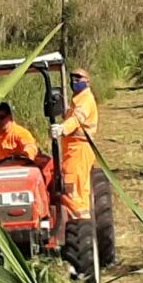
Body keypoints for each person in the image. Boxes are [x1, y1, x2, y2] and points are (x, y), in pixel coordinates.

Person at [50, 68, 98, 220]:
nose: (74, 81)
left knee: (74, 190)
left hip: (79, 149)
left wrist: (62, 128)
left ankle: (80, 222)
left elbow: (77, 119)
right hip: (73, 150)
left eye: (79, 78)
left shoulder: (85, 100)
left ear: (87, 82)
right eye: (72, 78)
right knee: (77, 188)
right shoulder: (76, 100)